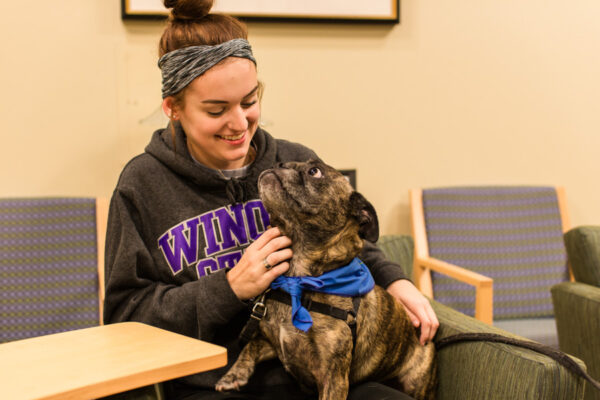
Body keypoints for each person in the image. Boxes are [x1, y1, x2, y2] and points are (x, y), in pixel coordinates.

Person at [103, 1, 439, 399]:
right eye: (216, 110)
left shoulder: (291, 164)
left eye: (249, 102)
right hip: (214, 383)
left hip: (315, 375)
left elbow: (347, 240)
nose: (239, 123)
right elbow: (126, 317)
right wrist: (228, 288)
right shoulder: (142, 185)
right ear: (173, 108)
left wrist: (396, 281)